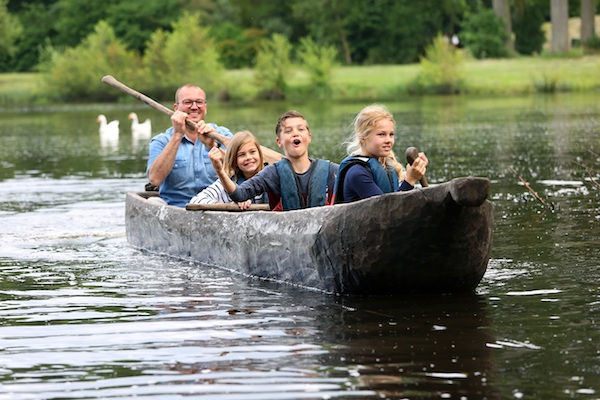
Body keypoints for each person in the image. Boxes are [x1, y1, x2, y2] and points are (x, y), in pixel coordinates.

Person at [208, 110, 338, 211]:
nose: (295, 133)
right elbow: (239, 194)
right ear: (279, 142)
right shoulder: (272, 173)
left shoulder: (331, 170)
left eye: (301, 129)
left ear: (309, 137)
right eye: (288, 131)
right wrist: (220, 171)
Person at [146, 84, 233, 207]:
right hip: (177, 207)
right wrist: (177, 135)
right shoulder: (161, 141)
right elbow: (155, 179)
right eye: (188, 102)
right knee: (152, 203)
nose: (194, 107)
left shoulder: (223, 135)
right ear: (176, 108)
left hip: (218, 206)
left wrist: (212, 146)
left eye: (199, 102)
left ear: (205, 107)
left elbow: (239, 173)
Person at [333, 104, 428, 204]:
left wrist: (417, 170)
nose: (388, 140)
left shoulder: (387, 166)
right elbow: (386, 209)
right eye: (381, 134)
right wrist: (410, 180)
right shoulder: (357, 173)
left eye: (391, 134)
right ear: (362, 136)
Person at [189, 130, 268, 208]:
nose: (248, 157)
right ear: (234, 160)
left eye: (252, 152)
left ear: (259, 154)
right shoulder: (228, 181)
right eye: (241, 155)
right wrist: (228, 206)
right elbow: (195, 201)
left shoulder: (271, 175)